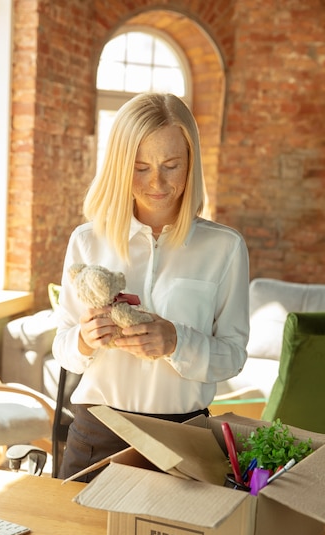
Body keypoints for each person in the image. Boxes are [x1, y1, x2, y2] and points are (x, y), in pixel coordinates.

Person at [53, 92, 250, 481]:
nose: (157, 183)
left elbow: (233, 356)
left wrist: (177, 342)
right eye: (140, 167)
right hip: (97, 431)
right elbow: (63, 348)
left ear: (191, 163)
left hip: (184, 437)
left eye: (171, 165)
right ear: (120, 168)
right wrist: (84, 338)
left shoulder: (225, 247)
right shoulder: (87, 240)